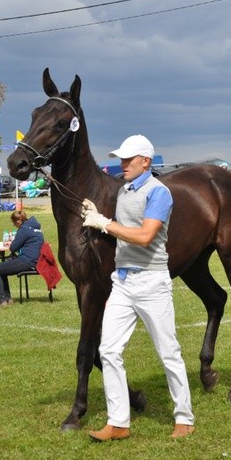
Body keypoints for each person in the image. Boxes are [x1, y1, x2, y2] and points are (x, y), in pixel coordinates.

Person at [81, 134, 195, 441]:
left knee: (168, 352)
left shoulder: (159, 193)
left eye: (129, 159)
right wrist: (99, 216)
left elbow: (144, 236)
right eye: (121, 159)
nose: (123, 164)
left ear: (146, 161)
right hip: (123, 281)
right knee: (108, 349)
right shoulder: (125, 191)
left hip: (152, 281)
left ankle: (184, 417)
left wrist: (102, 222)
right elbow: (123, 232)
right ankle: (118, 422)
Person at [0, 210, 44, 306]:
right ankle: (7, 299)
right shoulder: (35, 228)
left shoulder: (24, 229)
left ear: (18, 221)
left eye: (14, 224)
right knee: (2, 269)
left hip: (27, 261)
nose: (15, 226)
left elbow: (13, 247)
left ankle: (3, 300)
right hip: (36, 260)